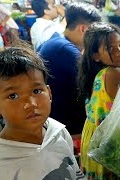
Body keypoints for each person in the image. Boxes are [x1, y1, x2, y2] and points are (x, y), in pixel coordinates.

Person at [0, 47, 85, 179]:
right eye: (13, 96)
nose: (31, 104)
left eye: (36, 91)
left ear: (49, 93)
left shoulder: (58, 132)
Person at [38, 2, 101, 135]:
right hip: (65, 125)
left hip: (53, 119)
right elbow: (97, 82)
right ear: (83, 29)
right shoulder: (65, 50)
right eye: (95, 33)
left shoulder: (56, 40)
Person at [77, 22, 120, 179]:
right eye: (111, 48)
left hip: (92, 136)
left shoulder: (94, 73)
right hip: (105, 142)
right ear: (96, 55)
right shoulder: (113, 73)